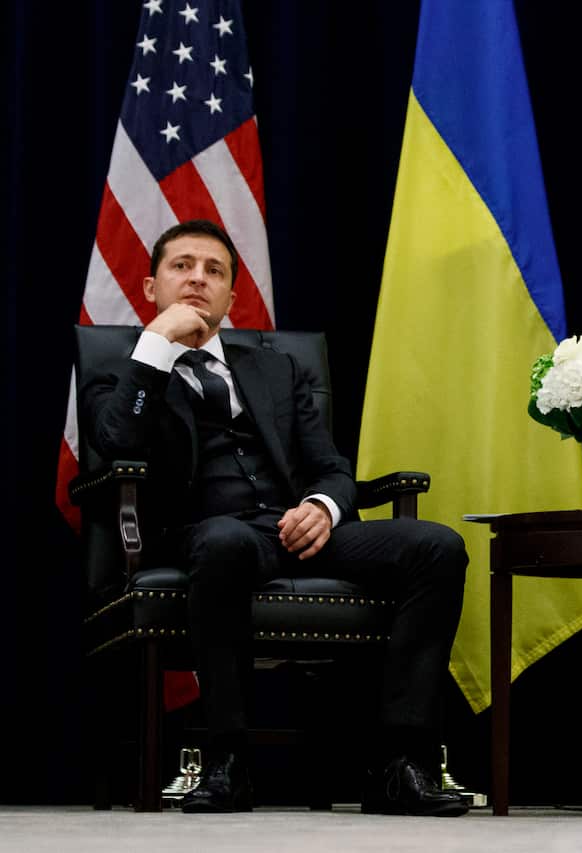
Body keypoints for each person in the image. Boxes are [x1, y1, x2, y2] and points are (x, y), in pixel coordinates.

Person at [81, 219, 470, 816]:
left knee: (437, 547)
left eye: (214, 271)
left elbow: (331, 467)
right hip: (202, 535)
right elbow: (115, 441)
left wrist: (323, 507)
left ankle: (400, 762)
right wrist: (157, 342)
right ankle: (228, 761)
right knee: (225, 543)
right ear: (151, 287)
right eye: (182, 266)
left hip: (294, 531)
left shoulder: (276, 369)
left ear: (232, 297)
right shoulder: (124, 370)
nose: (198, 279)